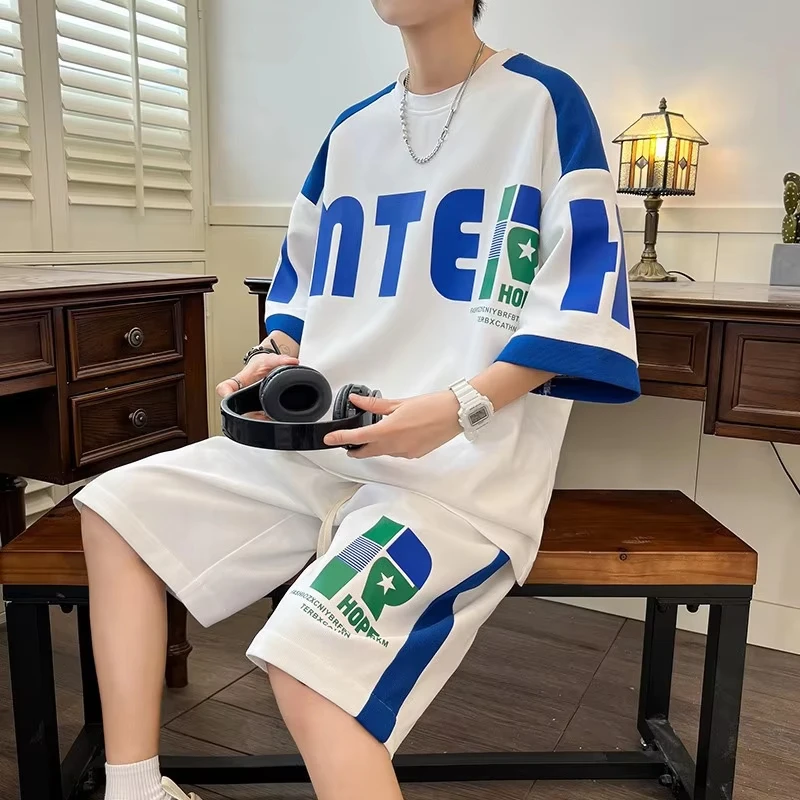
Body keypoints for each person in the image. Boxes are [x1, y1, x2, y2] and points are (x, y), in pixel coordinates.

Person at [76, 1, 640, 798]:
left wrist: (456, 408)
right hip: (317, 451)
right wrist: (272, 355)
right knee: (114, 509)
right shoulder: (352, 131)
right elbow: (301, 291)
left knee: (309, 672)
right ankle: (135, 791)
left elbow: (581, 298)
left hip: (456, 475)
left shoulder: (543, 104)